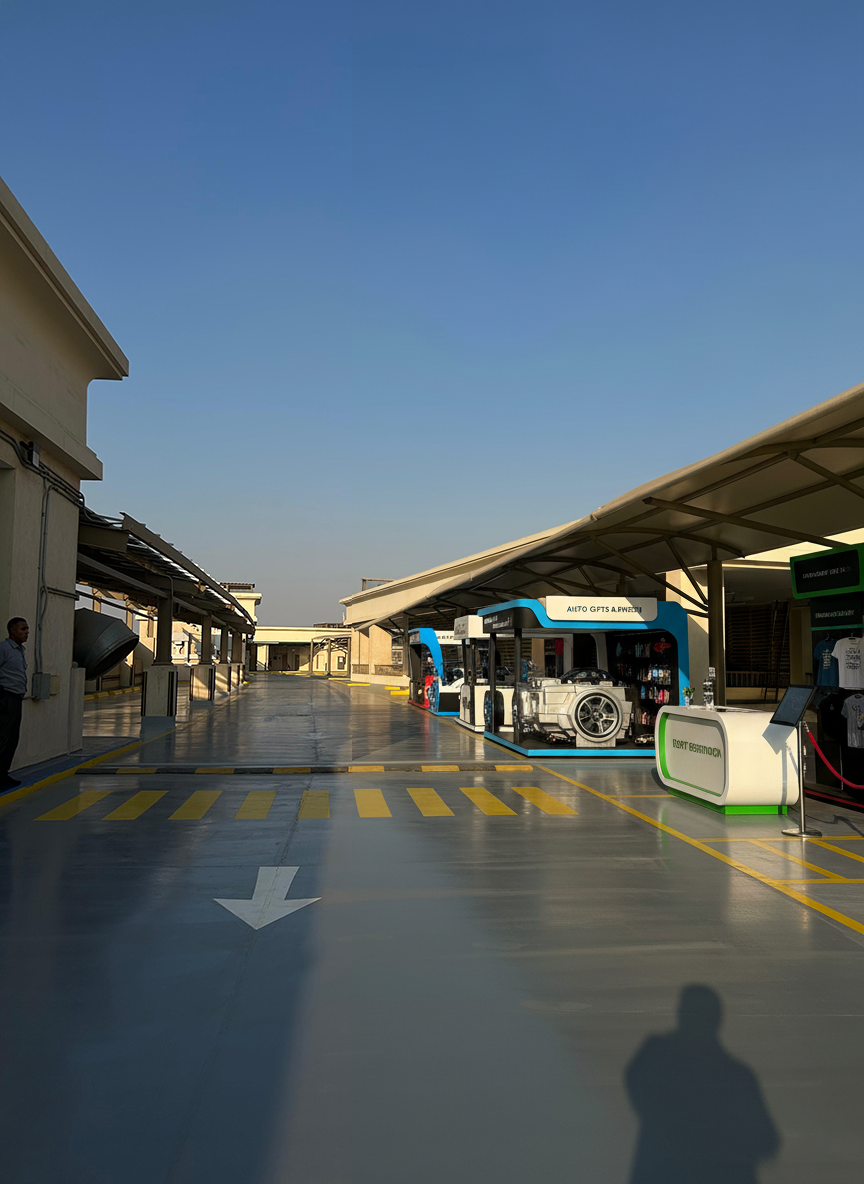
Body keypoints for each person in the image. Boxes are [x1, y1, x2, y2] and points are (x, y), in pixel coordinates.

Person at [0, 617, 29, 790]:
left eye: (27, 629)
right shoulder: (4, 649)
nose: (27, 632)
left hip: (16, 698)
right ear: (12, 631)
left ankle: (3, 774)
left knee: (12, 739)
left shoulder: (19, 651)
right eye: (23, 629)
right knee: (3, 738)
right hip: (6, 699)